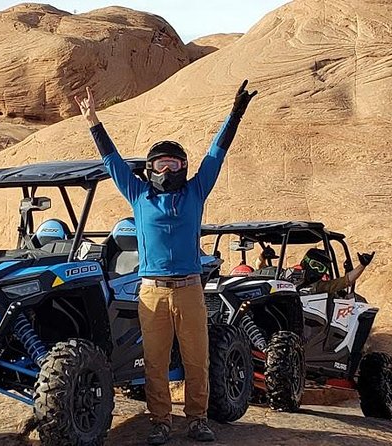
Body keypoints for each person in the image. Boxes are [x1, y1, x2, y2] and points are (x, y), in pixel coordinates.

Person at [75, 81, 257, 444]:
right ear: (150, 169)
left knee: (197, 360)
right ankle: (160, 421)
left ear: (183, 167)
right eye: (161, 164)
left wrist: (235, 114)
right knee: (154, 361)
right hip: (152, 292)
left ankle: (197, 419)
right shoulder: (138, 194)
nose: (167, 170)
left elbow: (216, 154)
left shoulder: (195, 191)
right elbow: (112, 161)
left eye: (174, 163)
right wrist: (93, 120)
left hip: (190, 289)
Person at [299, 248, 375, 295]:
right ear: (305, 261)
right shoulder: (292, 276)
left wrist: (362, 265)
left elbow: (346, 281)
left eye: (321, 268)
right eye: (314, 265)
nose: (316, 269)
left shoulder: (320, 286)